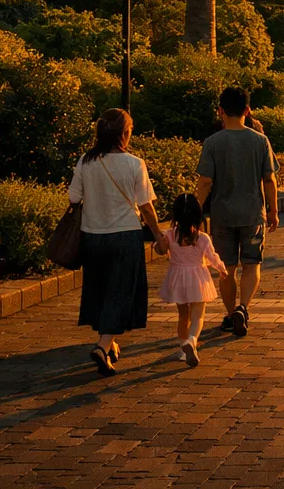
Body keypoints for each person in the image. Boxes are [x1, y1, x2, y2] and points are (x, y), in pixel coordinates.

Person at [70, 108, 167, 377]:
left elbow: (73, 197)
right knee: (122, 291)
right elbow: (146, 206)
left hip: (92, 236)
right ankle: (102, 346)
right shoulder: (134, 164)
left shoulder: (85, 161)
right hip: (125, 236)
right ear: (124, 133)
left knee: (102, 291)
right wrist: (158, 235)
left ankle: (110, 343)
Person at [196, 87, 280, 339]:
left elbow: (205, 182)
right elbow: (269, 179)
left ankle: (231, 313)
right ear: (247, 110)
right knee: (252, 264)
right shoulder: (260, 140)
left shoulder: (212, 143)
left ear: (220, 111)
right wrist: (273, 210)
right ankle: (243, 307)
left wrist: (197, 212)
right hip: (253, 214)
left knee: (227, 269)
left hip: (222, 216)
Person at [159, 192, 227, 368]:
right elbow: (212, 257)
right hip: (197, 278)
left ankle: (183, 349)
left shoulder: (170, 234)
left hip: (177, 277)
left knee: (183, 315)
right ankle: (192, 339)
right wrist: (221, 268)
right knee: (198, 316)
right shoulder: (202, 237)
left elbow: (159, 247)